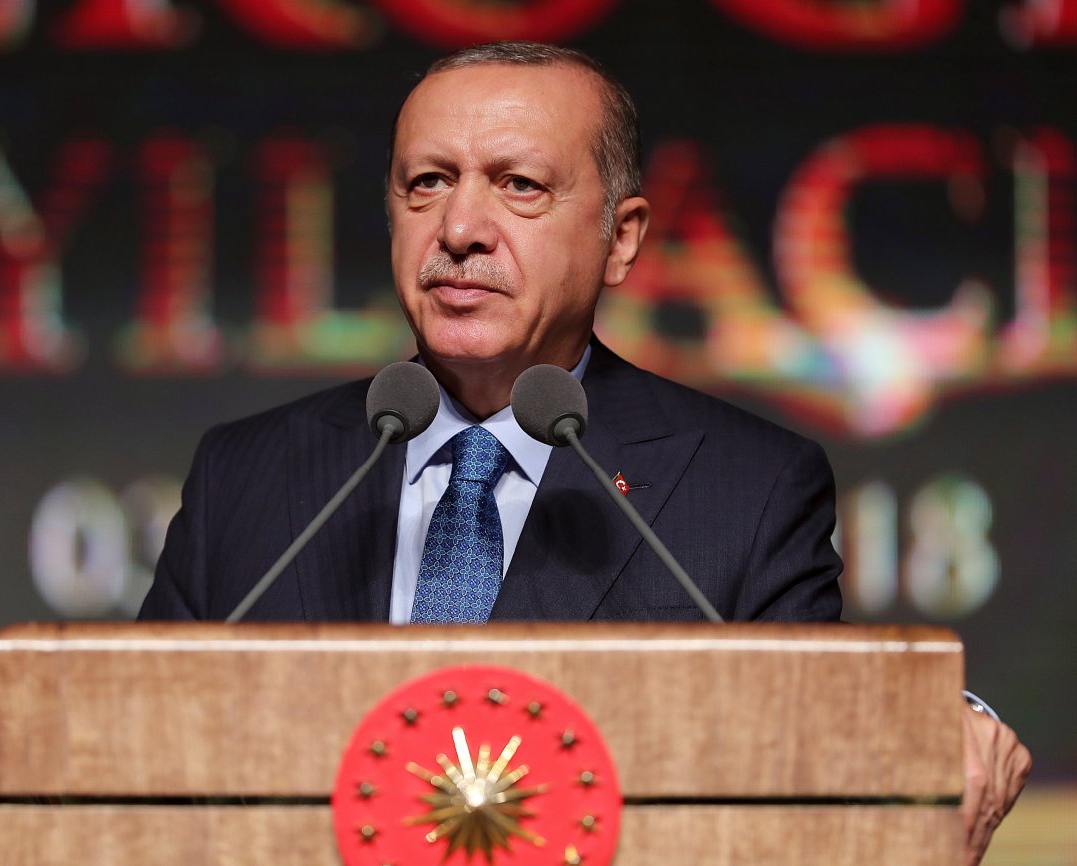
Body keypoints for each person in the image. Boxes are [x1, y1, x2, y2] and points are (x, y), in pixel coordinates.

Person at [138, 41, 1030, 863]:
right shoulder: (247, 473)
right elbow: (127, 741)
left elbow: (819, 737)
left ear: (624, 237)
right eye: (427, 183)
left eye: (518, 184)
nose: (458, 230)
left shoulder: (746, 486)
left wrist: (945, 729)